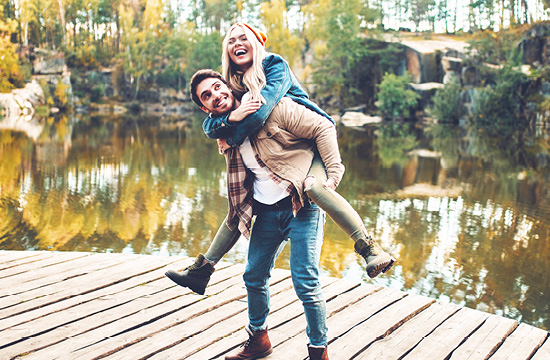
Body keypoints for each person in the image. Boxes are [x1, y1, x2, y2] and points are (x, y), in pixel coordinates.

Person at [165, 23, 395, 296]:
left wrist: (334, 171)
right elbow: (210, 126)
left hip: (310, 147)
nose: (238, 43)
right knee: (238, 209)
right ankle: (202, 271)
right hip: (284, 157)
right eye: (231, 40)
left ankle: (370, 248)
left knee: (314, 187)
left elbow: (261, 115)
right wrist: (229, 119)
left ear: (255, 42)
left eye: (244, 38)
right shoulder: (237, 85)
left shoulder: (273, 66)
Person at [190, 69, 334, 359]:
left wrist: (330, 175)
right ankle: (259, 340)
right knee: (253, 275)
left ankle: (318, 351)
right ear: (206, 108)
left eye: (218, 87)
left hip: (301, 205)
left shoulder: (267, 106)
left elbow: (323, 126)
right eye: (208, 95)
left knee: (305, 280)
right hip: (267, 212)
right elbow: (211, 128)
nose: (216, 95)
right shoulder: (225, 130)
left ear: (228, 86)